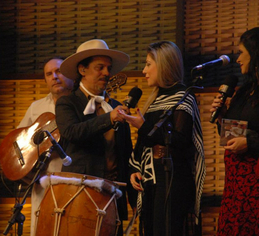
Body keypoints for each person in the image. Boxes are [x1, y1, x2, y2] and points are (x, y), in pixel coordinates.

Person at [118, 41, 205, 235]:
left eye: (148, 64)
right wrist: (134, 169)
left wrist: (143, 126)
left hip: (172, 178)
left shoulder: (184, 97)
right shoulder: (154, 100)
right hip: (150, 179)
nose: (143, 70)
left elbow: (181, 140)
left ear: (164, 64)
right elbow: (143, 143)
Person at [55, 39, 137, 235]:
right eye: (100, 67)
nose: (107, 73)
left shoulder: (115, 105)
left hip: (113, 197)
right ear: (82, 70)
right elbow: (72, 132)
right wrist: (109, 118)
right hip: (80, 196)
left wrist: (134, 199)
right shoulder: (67, 103)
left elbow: (126, 153)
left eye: (108, 68)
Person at [17, 56, 74, 236]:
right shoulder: (36, 107)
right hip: (41, 181)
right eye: (49, 74)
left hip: (72, 180)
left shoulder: (81, 105)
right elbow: (19, 142)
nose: (54, 77)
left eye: (59, 71)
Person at [210, 27, 259, 236]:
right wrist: (221, 117)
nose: (238, 59)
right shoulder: (244, 91)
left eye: (241, 52)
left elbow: (248, 138)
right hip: (235, 185)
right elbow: (232, 133)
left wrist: (251, 143)